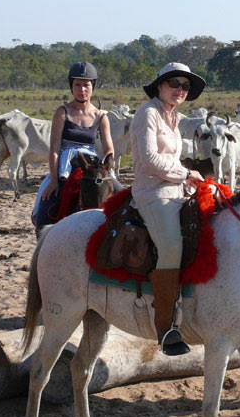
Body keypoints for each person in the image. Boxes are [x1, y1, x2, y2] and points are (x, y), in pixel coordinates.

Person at [131, 63, 206, 356]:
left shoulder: (175, 118)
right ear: (160, 86)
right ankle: (165, 327)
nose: (179, 90)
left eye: (185, 86)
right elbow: (149, 160)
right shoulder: (147, 113)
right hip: (152, 191)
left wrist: (186, 177)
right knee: (172, 246)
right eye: (173, 83)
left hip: (177, 188)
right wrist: (185, 173)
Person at [33, 62, 114, 231]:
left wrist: (105, 168)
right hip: (65, 165)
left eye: (86, 85)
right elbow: (54, 149)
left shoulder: (101, 116)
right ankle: (42, 239)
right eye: (78, 85)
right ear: (72, 86)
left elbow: (109, 149)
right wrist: (54, 180)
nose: (82, 89)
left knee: (123, 198)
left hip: (92, 165)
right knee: (45, 207)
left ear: (93, 87)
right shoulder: (62, 112)